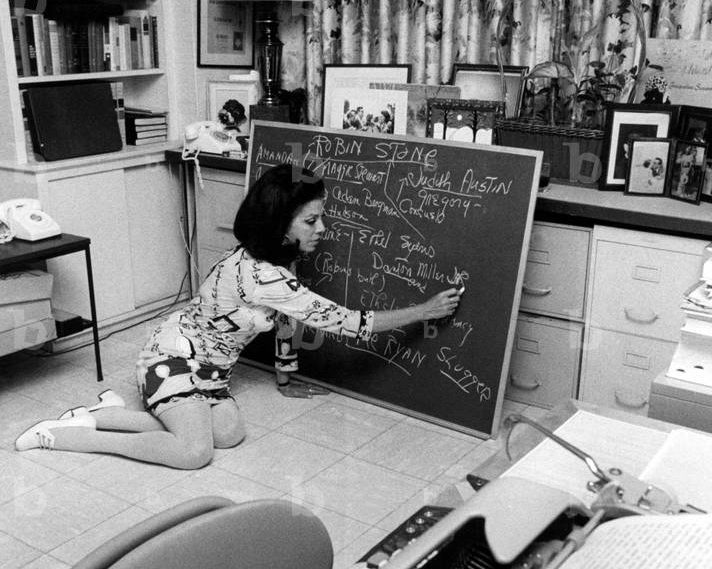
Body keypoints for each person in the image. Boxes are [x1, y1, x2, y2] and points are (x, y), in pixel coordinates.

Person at [15, 164, 461, 469]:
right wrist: (424, 311)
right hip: (171, 359)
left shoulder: (273, 260)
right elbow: (345, 322)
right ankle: (64, 435)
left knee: (228, 433)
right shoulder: (265, 276)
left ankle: (102, 413)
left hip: (211, 369)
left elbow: (287, 318)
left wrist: (285, 376)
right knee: (194, 452)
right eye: (311, 221)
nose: (321, 229)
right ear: (280, 222)